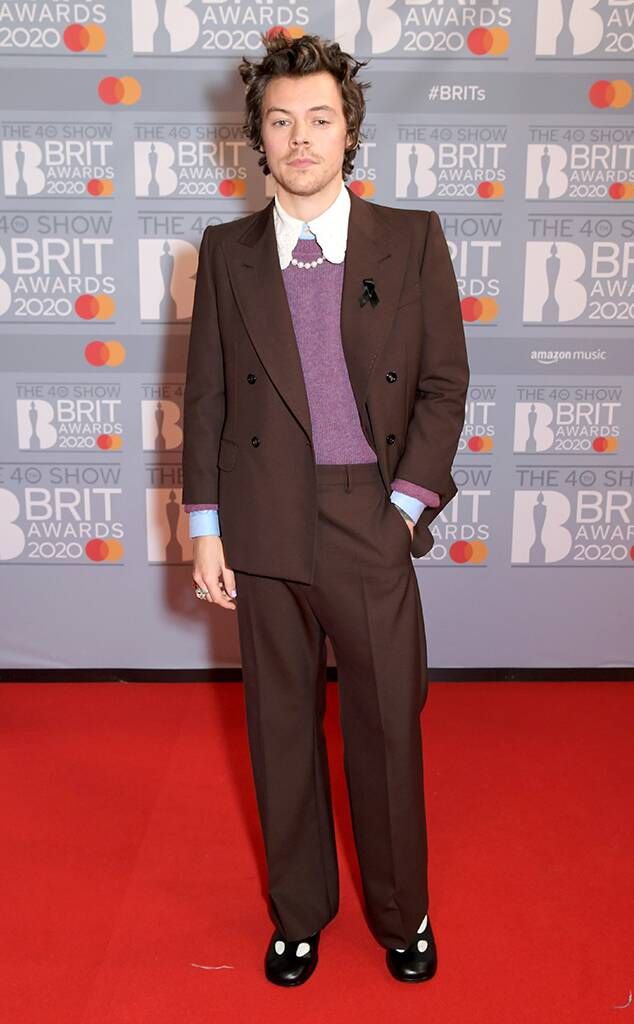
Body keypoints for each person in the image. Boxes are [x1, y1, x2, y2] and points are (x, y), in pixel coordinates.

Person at [181, 31, 469, 987]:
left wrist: (401, 511)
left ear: (350, 133)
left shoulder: (413, 237)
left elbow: (441, 386)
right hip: (261, 521)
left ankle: (404, 914)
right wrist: (205, 526)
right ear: (257, 139)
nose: (300, 138)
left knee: (387, 727)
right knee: (277, 726)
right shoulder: (225, 254)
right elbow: (210, 396)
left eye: (320, 119)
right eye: (280, 121)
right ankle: (299, 913)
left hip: (368, 516)